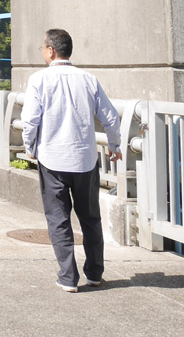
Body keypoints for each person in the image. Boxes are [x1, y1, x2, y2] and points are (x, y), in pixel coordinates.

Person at [20, 28, 121, 293]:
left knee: (58, 220)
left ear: (51, 50)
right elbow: (110, 117)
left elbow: (30, 120)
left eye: (43, 48)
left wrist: (30, 147)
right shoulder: (88, 79)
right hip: (85, 160)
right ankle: (95, 273)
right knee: (91, 219)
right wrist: (115, 146)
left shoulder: (38, 80)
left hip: (52, 159)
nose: (42, 52)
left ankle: (68, 277)